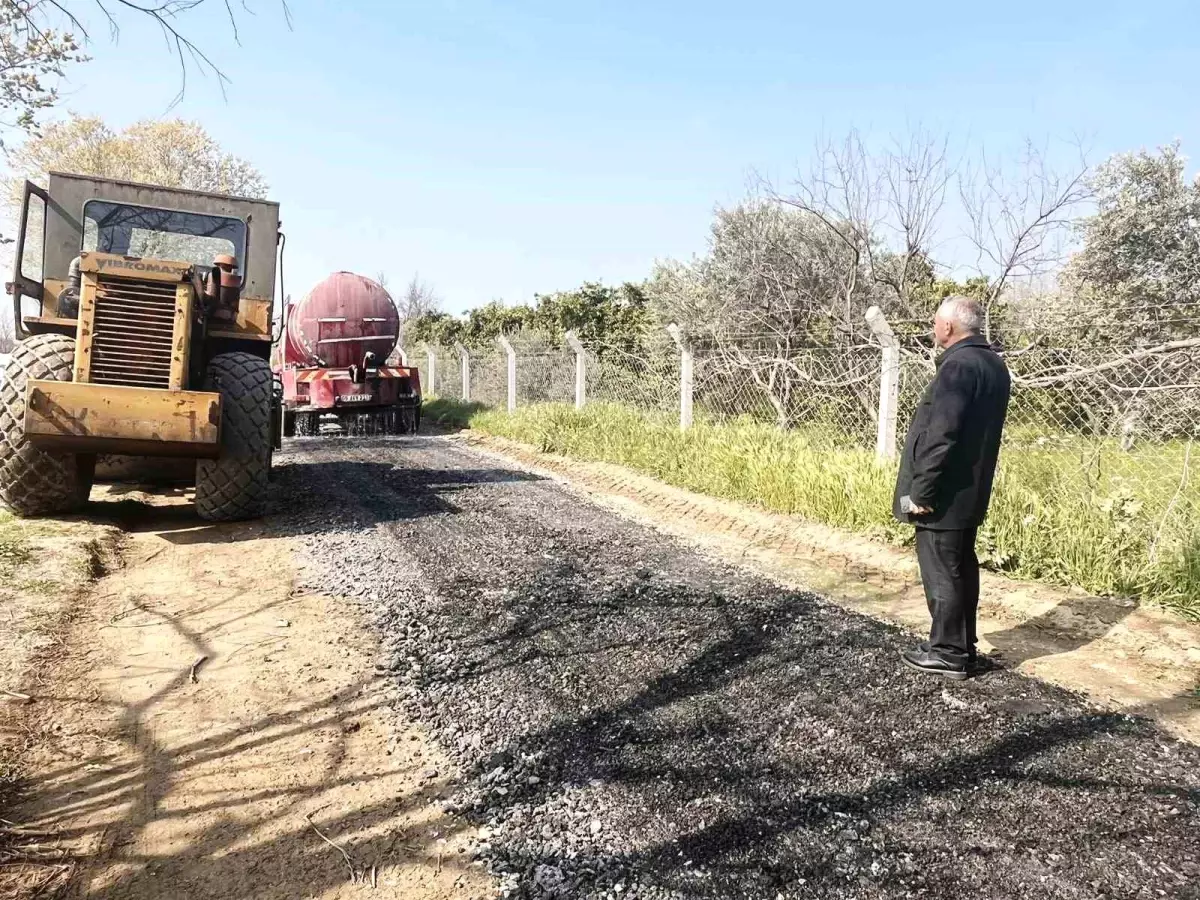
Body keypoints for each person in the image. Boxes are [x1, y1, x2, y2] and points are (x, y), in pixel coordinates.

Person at [894, 296, 1011, 680]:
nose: (933, 329)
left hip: (944, 493)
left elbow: (941, 434)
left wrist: (922, 492)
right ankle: (962, 646)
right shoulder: (993, 364)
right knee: (960, 567)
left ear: (948, 327)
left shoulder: (958, 366)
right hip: (970, 489)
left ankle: (948, 652)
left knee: (942, 569)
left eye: (935, 323)